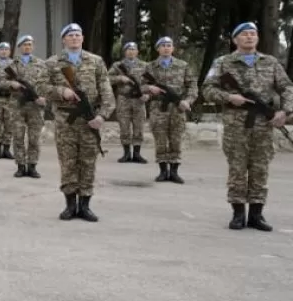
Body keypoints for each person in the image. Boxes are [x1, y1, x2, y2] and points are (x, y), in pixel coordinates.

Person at [201, 22, 292, 231]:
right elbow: (207, 89)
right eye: (244, 34)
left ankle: (257, 215)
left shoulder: (270, 62)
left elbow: (287, 87)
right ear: (235, 40)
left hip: (264, 123)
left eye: (253, 34)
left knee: (260, 168)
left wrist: (284, 112)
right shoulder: (223, 62)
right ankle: (238, 214)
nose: (250, 37)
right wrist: (228, 97)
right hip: (236, 125)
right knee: (237, 169)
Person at [36, 23, 115, 222]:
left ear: (83, 38)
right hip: (65, 122)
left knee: (88, 164)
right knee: (68, 163)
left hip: (90, 122)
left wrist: (102, 116)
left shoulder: (96, 62)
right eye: (70, 35)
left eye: (77, 34)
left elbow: (107, 92)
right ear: (64, 40)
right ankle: (70, 206)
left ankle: (85, 206)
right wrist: (61, 92)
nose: (74, 38)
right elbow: (40, 86)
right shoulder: (52, 63)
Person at [142, 36, 197, 184]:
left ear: (173, 48)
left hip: (177, 108)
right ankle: (162, 171)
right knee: (160, 139)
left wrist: (187, 101)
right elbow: (139, 86)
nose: (166, 47)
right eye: (163, 45)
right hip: (158, 108)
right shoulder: (150, 67)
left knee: (176, 140)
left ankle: (174, 172)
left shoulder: (183, 65)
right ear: (158, 49)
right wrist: (148, 88)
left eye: (169, 45)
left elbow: (192, 86)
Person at [7, 35, 47, 179]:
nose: (27, 47)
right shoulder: (12, 65)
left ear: (33, 47)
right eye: (24, 45)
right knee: (18, 137)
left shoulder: (41, 64)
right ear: (19, 47)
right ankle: (20, 166)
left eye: (29, 44)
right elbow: (1, 82)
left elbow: (47, 83)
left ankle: (32, 166)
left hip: (36, 106)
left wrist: (43, 98)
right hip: (17, 105)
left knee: (34, 138)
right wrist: (11, 84)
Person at [111, 41, 149, 164]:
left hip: (139, 99)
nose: (131, 51)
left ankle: (137, 154)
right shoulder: (118, 65)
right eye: (128, 49)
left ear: (137, 52)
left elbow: (152, 82)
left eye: (133, 49)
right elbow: (106, 78)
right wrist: (119, 78)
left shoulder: (145, 65)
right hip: (123, 99)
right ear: (125, 51)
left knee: (139, 126)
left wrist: (148, 94)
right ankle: (126, 153)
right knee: (124, 126)